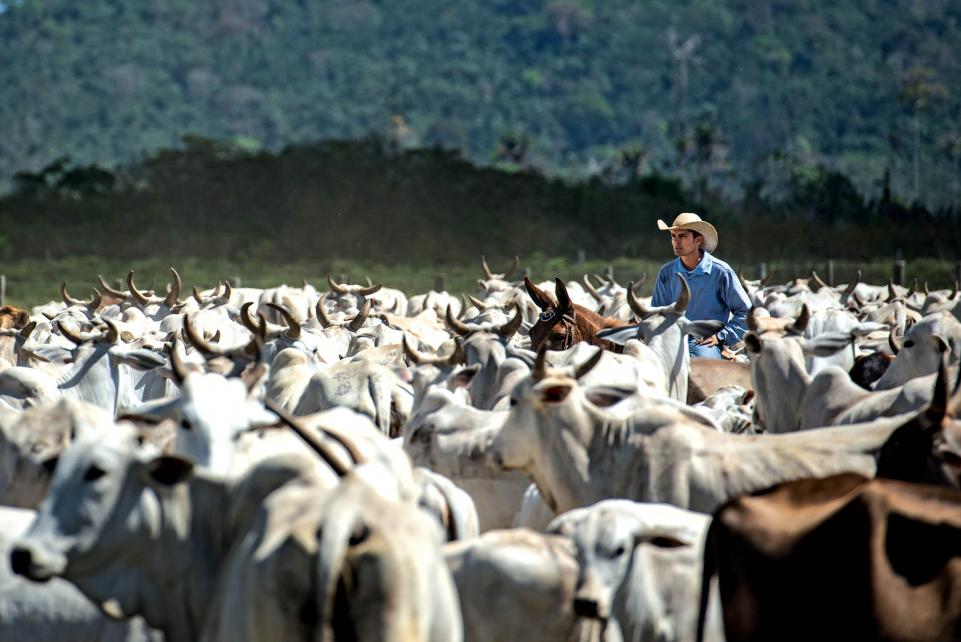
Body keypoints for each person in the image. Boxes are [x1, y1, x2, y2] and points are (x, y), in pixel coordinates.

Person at [650, 212, 750, 359]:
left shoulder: (720, 272)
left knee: (704, 367)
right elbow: (657, 312)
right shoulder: (666, 272)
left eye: (682, 236)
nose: (676, 241)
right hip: (671, 339)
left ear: (698, 240)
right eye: (673, 236)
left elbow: (746, 312)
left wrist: (721, 336)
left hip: (704, 342)